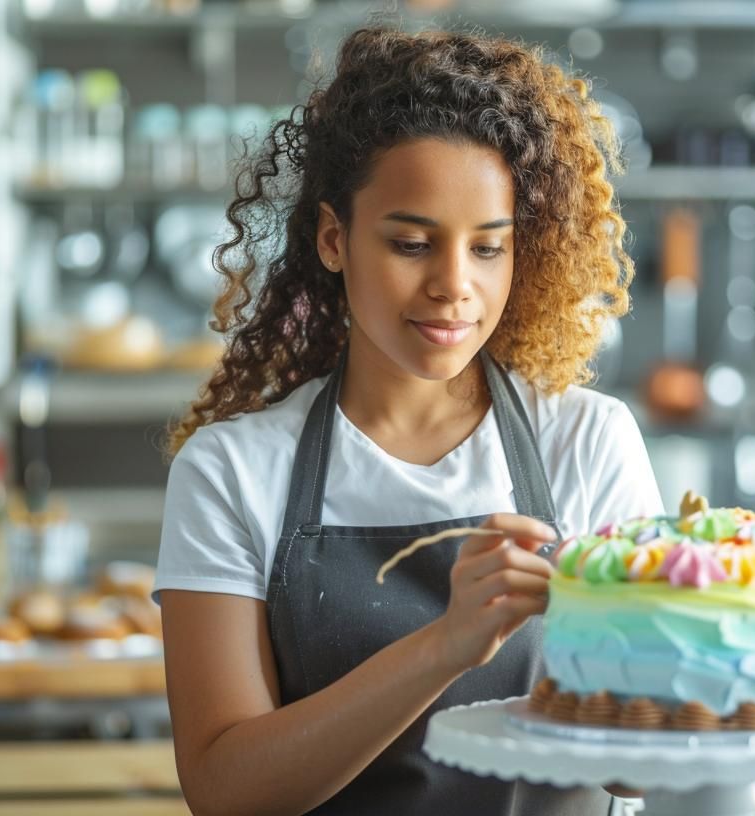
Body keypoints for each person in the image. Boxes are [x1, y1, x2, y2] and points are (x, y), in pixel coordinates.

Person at [155, 25, 662, 816]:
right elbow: (226, 791)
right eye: (412, 243)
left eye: (488, 249)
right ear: (334, 238)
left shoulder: (586, 443)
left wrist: (601, 648)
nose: (454, 286)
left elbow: (646, 769)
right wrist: (446, 645)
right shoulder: (232, 472)